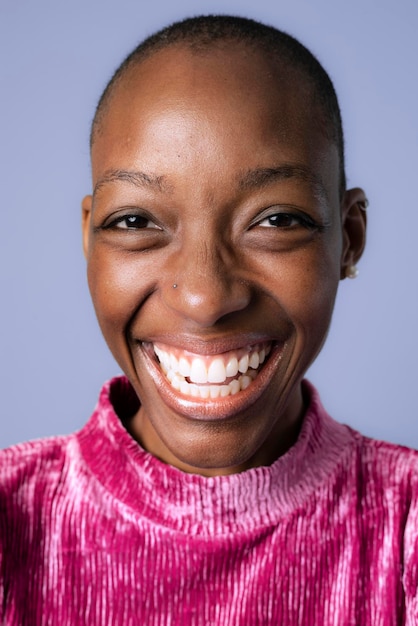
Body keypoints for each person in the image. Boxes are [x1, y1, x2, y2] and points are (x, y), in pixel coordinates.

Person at [0, 14, 417, 625]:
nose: (204, 296)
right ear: (90, 241)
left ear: (349, 240)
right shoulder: (13, 526)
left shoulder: (404, 527)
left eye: (275, 220)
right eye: (136, 222)